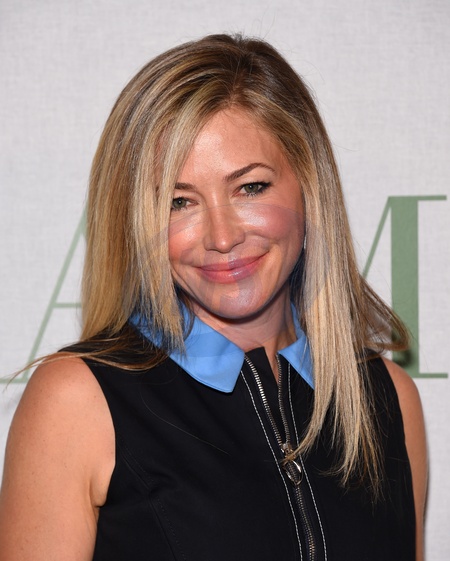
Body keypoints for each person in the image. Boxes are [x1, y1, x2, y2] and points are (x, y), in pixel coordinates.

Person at [0, 34, 427, 561]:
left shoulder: (389, 399)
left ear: (309, 186)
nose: (222, 237)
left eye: (251, 188)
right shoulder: (77, 402)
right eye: (179, 202)